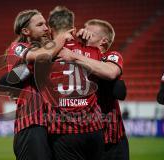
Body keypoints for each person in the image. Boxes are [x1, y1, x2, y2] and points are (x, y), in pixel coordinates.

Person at [0, 9, 72, 160]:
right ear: (26, 31)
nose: (46, 28)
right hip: (32, 125)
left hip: (53, 124)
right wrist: (63, 36)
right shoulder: (17, 48)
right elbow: (43, 56)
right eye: (40, 25)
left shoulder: (51, 48)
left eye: (46, 24)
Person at [42, 6, 104, 160]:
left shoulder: (44, 56)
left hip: (64, 133)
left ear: (50, 30)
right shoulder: (93, 51)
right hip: (94, 130)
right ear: (73, 29)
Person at [62, 19, 129, 160]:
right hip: (80, 137)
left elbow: (111, 72)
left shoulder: (111, 56)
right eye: (83, 30)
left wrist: (74, 56)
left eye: (89, 33)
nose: (83, 33)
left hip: (111, 138)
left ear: (103, 41)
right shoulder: (72, 54)